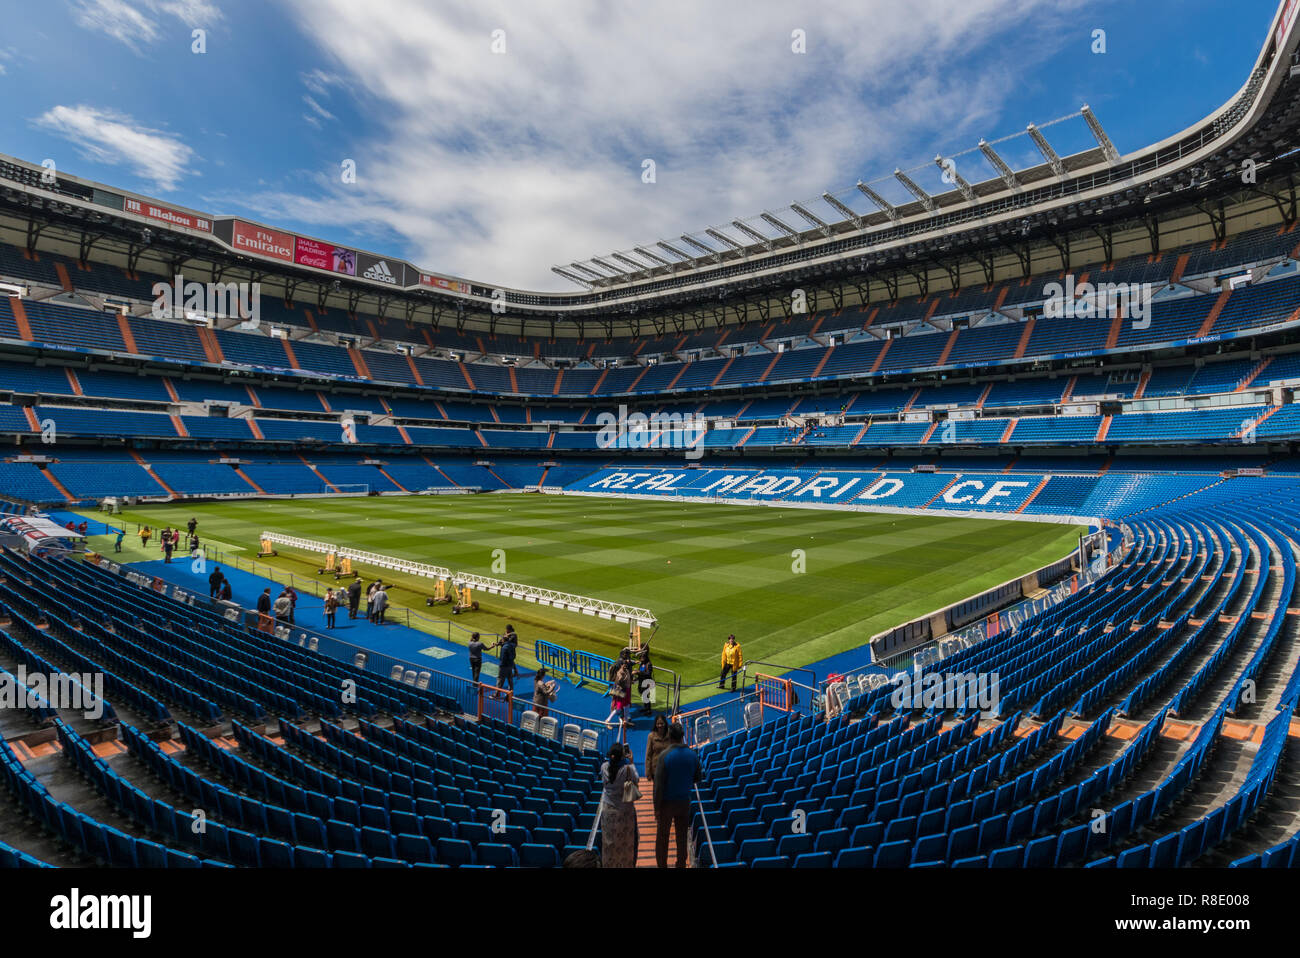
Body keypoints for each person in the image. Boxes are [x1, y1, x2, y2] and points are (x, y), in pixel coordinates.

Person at [655, 723, 700, 869]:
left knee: (662, 838)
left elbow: (658, 785)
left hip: (667, 803)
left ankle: (662, 865)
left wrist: (656, 807)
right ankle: (680, 864)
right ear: (682, 737)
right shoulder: (692, 755)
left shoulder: (664, 756)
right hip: (684, 802)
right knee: (682, 837)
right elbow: (698, 777)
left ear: (669, 737)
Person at [599, 744, 639, 868]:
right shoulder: (628, 769)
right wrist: (631, 762)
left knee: (609, 844)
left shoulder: (604, 766)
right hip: (625, 812)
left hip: (608, 811)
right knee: (626, 843)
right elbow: (636, 779)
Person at [645, 713, 671, 808]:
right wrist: (648, 772)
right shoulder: (651, 736)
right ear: (655, 724)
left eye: (662, 723)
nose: (660, 726)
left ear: (665, 723)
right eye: (658, 724)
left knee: (668, 790)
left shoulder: (670, 734)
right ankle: (657, 810)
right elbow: (648, 755)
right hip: (656, 769)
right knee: (657, 792)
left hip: (668, 768)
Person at [604, 660, 632, 728]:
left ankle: (625, 722)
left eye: (626, 664)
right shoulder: (620, 673)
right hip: (621, 692)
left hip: (627, 691)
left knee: (627, 706)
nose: (625, 665)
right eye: (624, 664)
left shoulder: (626, 671)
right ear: (621, 665)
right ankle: (607, 720)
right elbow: (619, 683)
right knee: (619, 708)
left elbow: (628, 680)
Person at [494, 629, 518, 696]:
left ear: (504, 640)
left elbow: (503, 658)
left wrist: (501, 665)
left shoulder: (504, 648)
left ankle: (496, 694)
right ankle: (510, 695)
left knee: (500, 680)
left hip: (504, 666)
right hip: (510, 666)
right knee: (510, 681)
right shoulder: (512, 646)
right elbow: (513, 657)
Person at [636, 647, 655, 715]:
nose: (641, 659)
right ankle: (645, 707)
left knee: (646, 696)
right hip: (641, 681)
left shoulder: (648, 664)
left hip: (647, 682)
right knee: (643, 695)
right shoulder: (642, 664)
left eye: (642, 658)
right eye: (640, 658)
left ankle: (649, 710)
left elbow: (648, 674)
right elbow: (640, 672)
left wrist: (639, 672)